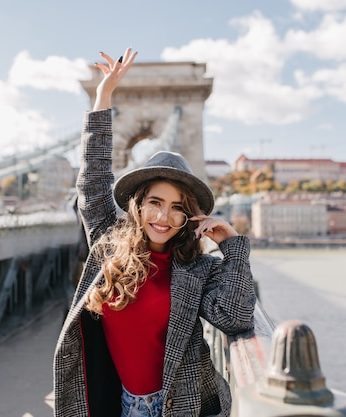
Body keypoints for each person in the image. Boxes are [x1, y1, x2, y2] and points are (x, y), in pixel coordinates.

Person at [53, 47, 256, 417]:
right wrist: (104, 97)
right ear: (138, 203)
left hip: (177, 407)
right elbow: (94, 182)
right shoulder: (109, 243)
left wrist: (233, 249)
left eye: (178, 207)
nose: (164, 216)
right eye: (155, 202)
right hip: (119, 402)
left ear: (188, 216)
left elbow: (236, 317)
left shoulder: (197, 268)